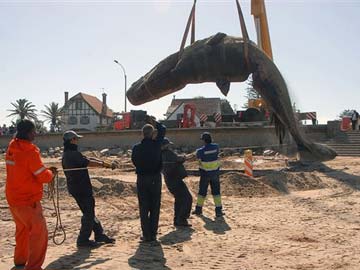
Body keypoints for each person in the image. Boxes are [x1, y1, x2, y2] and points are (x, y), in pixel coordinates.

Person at [5, 119, 56, 270]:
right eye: (33, 131)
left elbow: (25, 169)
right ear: (28, 133)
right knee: (39, 234)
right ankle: (33, 267)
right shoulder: (30, 151)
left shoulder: (12, 146)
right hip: (27, 200)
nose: (35, 133)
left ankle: (20, 260)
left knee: (22, 230)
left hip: (13, 198)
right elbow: (43, 176)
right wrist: (51, 173)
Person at [62, 130, 116, 248]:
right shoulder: (72, 154)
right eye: (76, 139)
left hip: (78, 188)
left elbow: (88, 159)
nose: (77, 141)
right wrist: (104, 165)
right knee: (88, 214)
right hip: (80, 188)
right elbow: (88, 162)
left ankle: (99, 234)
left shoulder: (69, 153)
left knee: (89, 212)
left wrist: (104, 163)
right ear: (72, 140)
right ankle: (83, 240)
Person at [131, 116, 166, 242]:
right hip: (155, 178)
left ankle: (146, 234)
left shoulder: (136, 148)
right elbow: (163, 129)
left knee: (144, 207)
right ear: (152, 134)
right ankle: (153, 234)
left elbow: (134, 161)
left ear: (142, 134)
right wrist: (155, 122)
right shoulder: (157, 144)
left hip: (142, 179)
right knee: (155, 206)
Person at [161, 137, 192, 227]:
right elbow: (179, 159)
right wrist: (185, 157)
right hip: (175, 180)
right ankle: (182, 219)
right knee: (187, 198)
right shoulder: (168, 153)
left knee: (179, 199)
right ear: (165, 145)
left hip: (169, 181)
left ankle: (177, 220)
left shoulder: (161, 155)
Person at [192, 132, 224, 217]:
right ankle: (218, 211)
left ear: (203, 140)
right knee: (216, 192)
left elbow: (198, 158)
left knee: (202, 192)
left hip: (205, 174)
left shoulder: (200, 151)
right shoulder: (216, 147)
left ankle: (198, 210)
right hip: (215, 173)